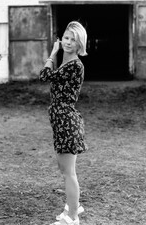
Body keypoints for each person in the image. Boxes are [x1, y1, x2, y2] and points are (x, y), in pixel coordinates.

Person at [39, 21, 88, 225]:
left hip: (67, 122)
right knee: (65, 169)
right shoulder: (66, 64)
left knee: (69, 172)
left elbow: (44, 76)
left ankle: (73, 217)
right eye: (66, 38)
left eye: (73, 40)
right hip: (61, 120)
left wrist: (52, 53)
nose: (68, 42)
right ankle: (72, 204)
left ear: (79, 44)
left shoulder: (74, 65)